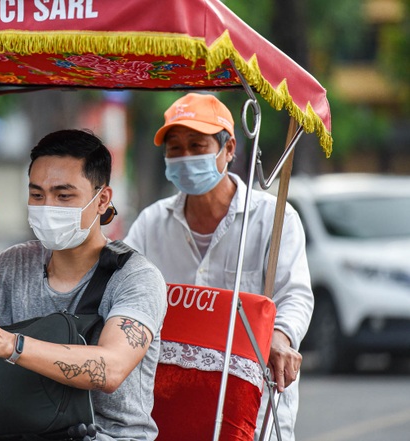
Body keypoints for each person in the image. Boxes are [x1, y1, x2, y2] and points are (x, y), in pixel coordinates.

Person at [0, 129, 168, 441]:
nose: (48, 206)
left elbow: (110, 370)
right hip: (14, 430)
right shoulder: (13, 264)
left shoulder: (135, 276)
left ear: (101, 200)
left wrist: (10, 345)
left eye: (64, 195)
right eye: (37, 195)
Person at [123, 93, 313, 441]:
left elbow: (295, 295)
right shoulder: (149, 225)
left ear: (229, 150)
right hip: (168, 401)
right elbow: (124, 296)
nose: (185, 157)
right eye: (175, 148)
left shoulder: (274, 218)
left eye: (197, 145)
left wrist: (279, 340)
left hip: (251, 399)